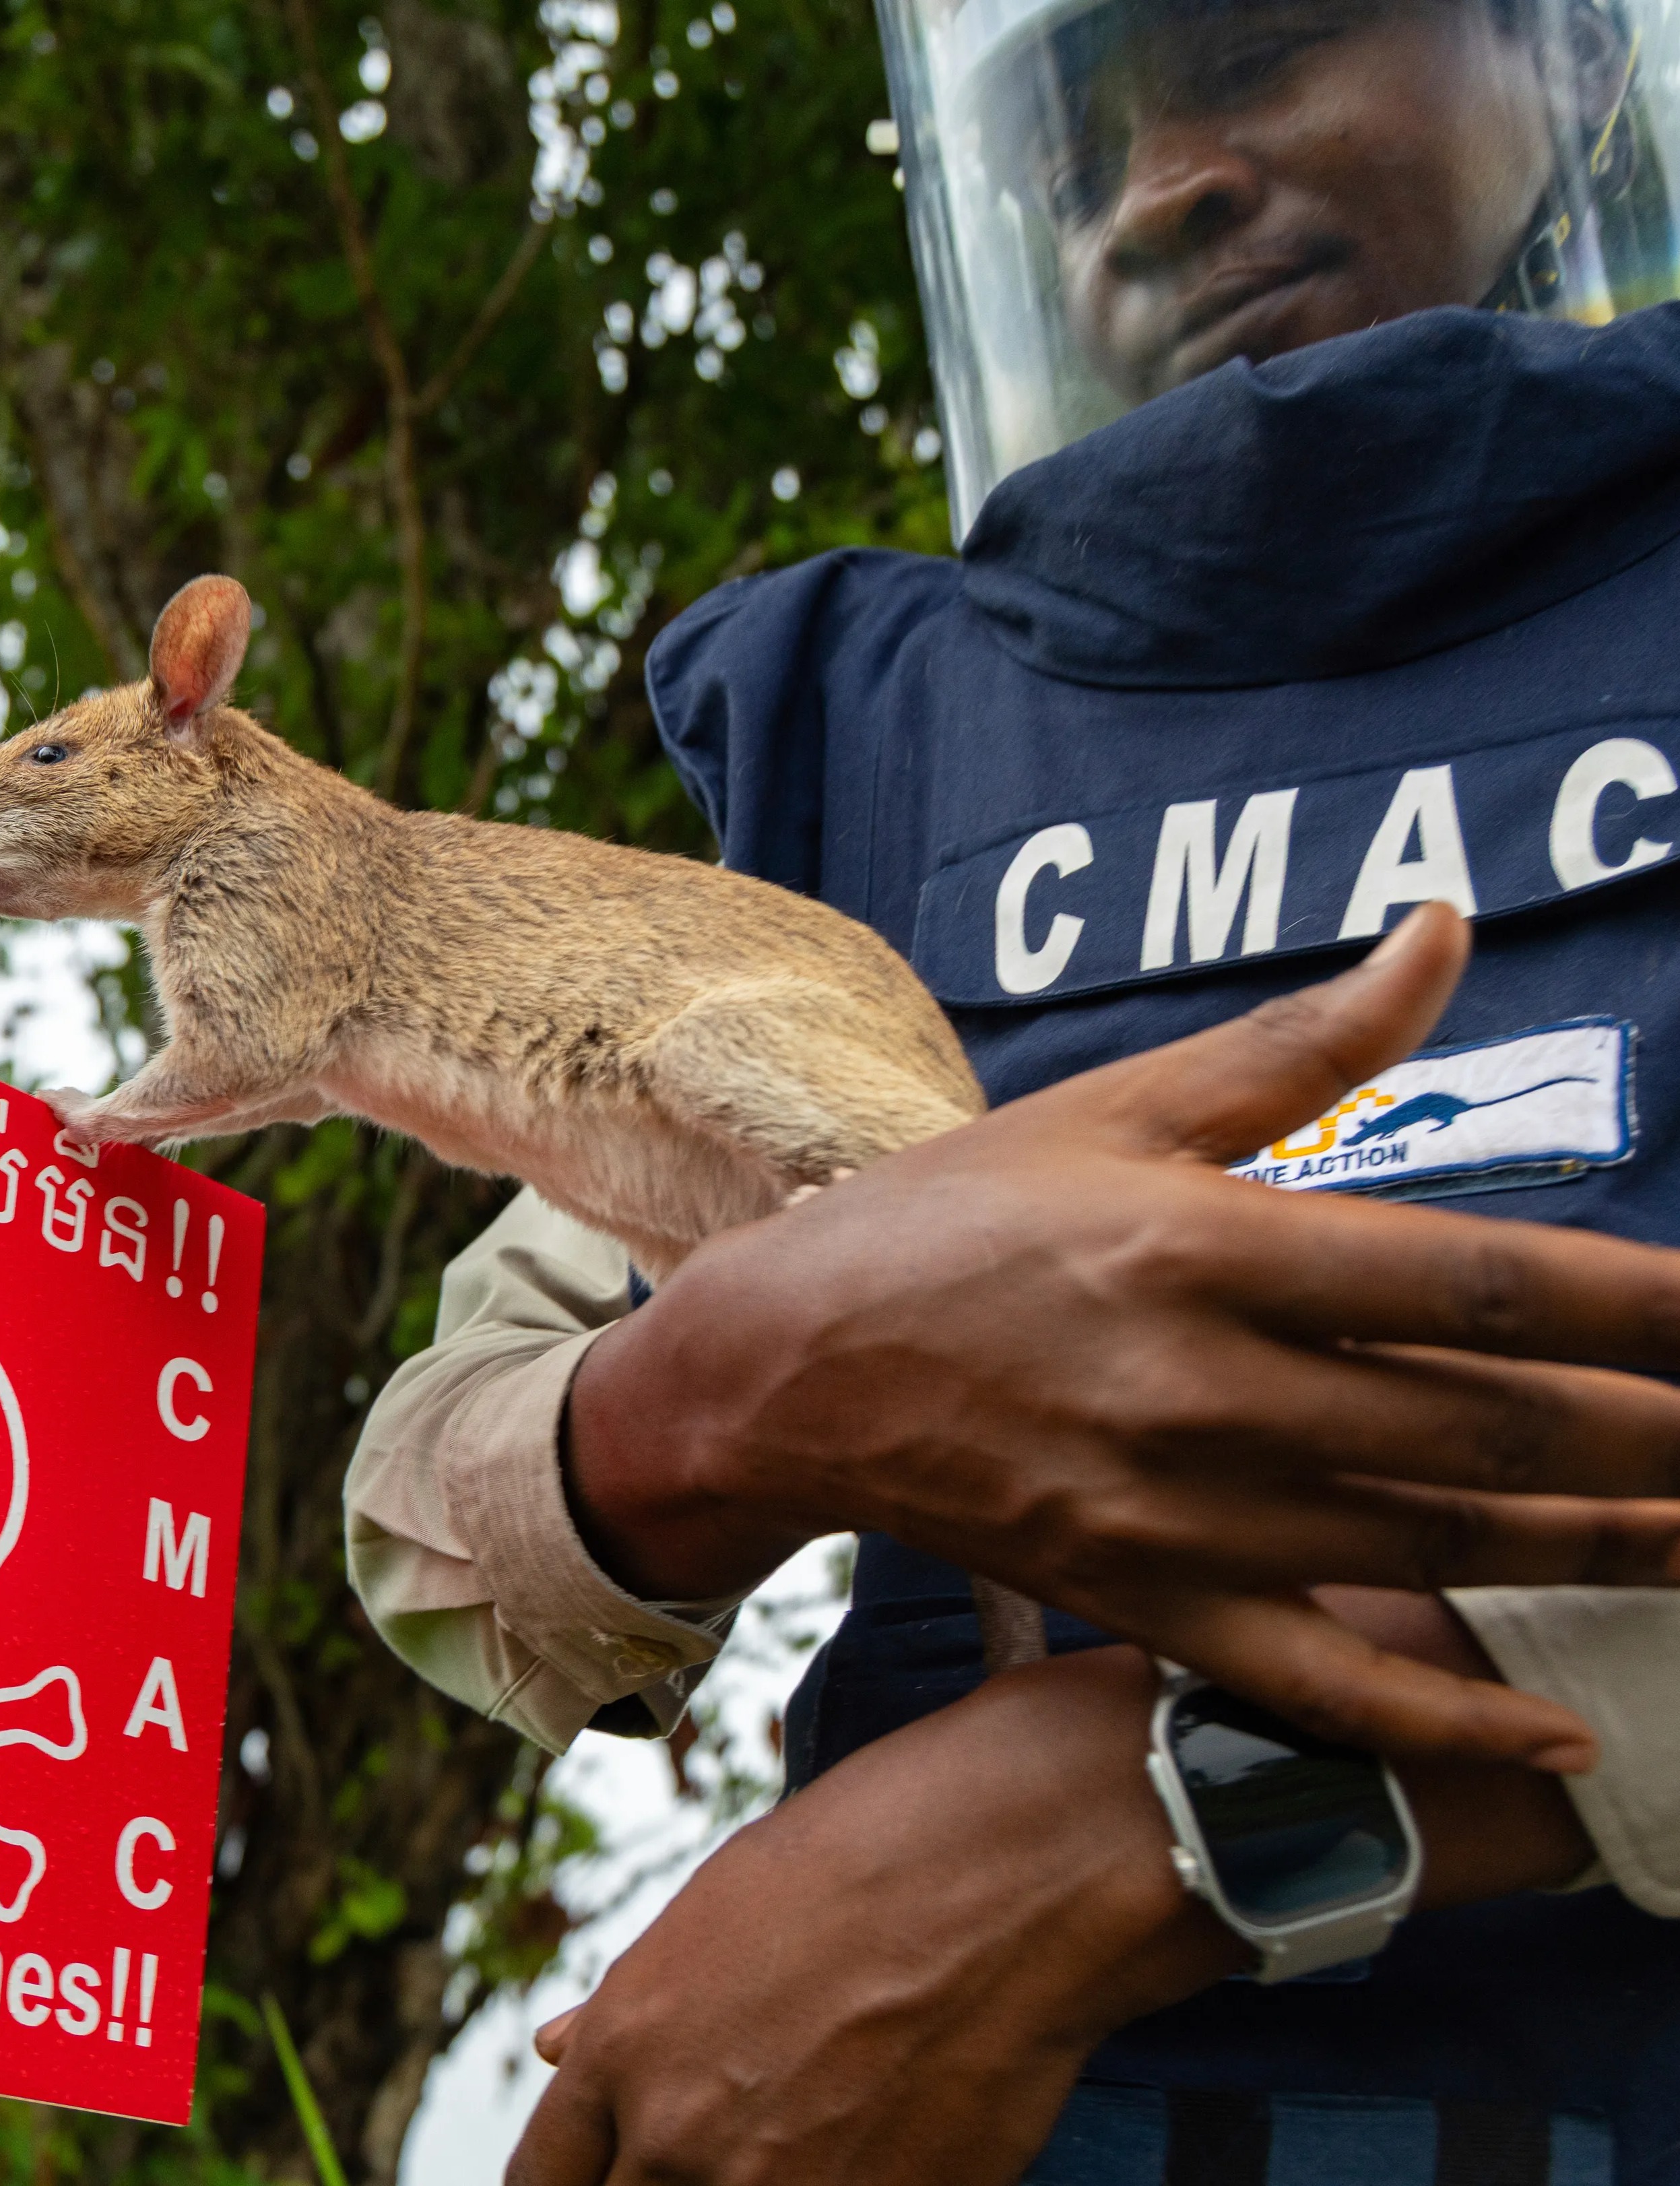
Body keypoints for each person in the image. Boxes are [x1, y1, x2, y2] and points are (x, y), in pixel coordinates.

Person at [344, 0, 1680, 2175]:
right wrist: (727, 1396)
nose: (1161, 187)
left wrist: (1138, 1818)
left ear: (1576, 61)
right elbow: (436, 1494)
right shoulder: (889, 747)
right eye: (1071, 151)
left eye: (1253, 52)